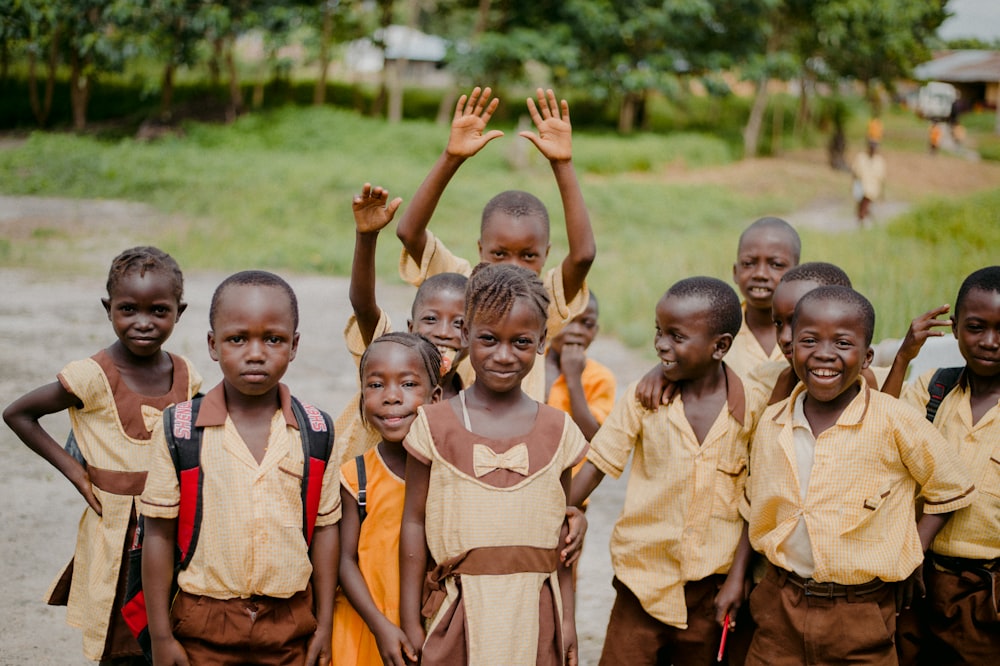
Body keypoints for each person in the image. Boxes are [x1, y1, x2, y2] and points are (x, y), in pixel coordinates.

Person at [741, 286, 975, 665]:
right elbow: (758, 502)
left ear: (866, 357)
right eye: (809, 340)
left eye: (843, 343)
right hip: (781, 601)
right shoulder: (773, 421)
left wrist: (911, 551)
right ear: (792, 348)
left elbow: (949, 487)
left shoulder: (894, 419)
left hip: (861, 610)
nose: (824, 353)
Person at [3, 247, 201, 665]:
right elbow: (19, 413)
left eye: (159, 310)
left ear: (179, 312)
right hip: (118, 530)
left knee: (173, 623)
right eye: (128, 309)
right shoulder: (91, 375)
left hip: (170, 523)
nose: (143, 323)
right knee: (120, 635)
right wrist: (76, 472)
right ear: (108, 308)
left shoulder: (186, 375)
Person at [140, 270, 340, 665]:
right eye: (237, 339)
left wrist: (325, 625)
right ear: (213, 345)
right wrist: (161, 635)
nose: (255, 352)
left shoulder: (315, 430)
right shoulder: (180, 429)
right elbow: (158, 536)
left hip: (290, 625)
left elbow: (326, 531)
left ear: (294, 345)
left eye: (273, 339)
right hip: (202, 624)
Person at [399, 263, 589, 665]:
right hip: (458, 614)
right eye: (488, 339)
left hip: (535, 615)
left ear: (542, 341)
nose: (504, 355)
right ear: (466, 335)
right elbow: (413, 523)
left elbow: (563, 533)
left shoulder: (558, 430)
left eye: (521, 342)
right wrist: (409, 618)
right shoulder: (435, 425)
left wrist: (568, 618)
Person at [570, 277, 753, 665]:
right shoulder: (645, 398)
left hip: (712, 593)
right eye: (658, 331)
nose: (661, 345)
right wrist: (553, 513)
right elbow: (598, 463)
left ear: (720, 346)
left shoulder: (752, 412)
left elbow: (757, 503)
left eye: (676, 336)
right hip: (641, 585)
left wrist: (738, 579)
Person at [394, 86, 597, 402]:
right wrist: (452, 157)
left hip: (518, 442)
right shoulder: (462, 282)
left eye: (528, 255)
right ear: (480, 250)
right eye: (499, 253)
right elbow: (409, 232)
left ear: (547, 255)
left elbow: (583, 256)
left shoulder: (541, 301)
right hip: (451, 435)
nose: (513, 267)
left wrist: (563, 164)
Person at [887, 266, 1000, 664]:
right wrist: (903, 356)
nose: (990, 342)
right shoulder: (935, 389)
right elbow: (881, 433)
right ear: (954, 328)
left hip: (988, 590)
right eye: (976, 327)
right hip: (919, 578)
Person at [334, 183, 469, 465]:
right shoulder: (391, 355)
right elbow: (363, 304)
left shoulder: (472, 394)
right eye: (430, 319)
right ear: (410, 327)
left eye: (459, 324)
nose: (443, 332)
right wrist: (367, 236)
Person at [333, 333, 444, 666]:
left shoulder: (451, 476)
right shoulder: (357, 477)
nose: (392, 398)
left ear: (435, 398)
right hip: (365, 626)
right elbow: (344, 561)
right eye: (376, 385)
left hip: (431, 628)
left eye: (408, 385)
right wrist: (380, 626)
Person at [634, 217, 799, 410]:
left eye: (776, 264)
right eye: (748, 263)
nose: (760, 274)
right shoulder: (712, 327)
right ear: (735, 272)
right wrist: (662, 370)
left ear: (797, 274)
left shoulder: (811, 332)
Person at [544, 291, 615, 441]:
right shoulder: (531, 365)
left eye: (587, 324)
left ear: (595, 332)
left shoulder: (601, 378)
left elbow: (594, 436)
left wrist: (574, 379)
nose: (576, 331)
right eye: (567, 320)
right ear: (549, 323)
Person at [852, 140, 887, 226]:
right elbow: (854, 172)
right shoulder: (861, 157)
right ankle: (863, 221)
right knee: (862, 205)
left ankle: (864, 220)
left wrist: (882, 193)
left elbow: (882, 178)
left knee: (866, 204)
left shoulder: (879, 161)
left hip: (873, 188)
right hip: (861, 185)